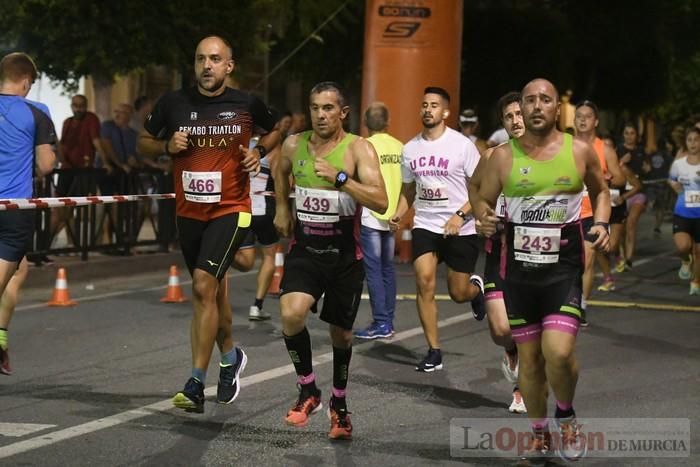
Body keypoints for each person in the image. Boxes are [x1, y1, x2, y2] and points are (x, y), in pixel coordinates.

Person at [138, 35, 279, 413]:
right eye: (201, 58)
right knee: (211, 294)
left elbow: (276, 128)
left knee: (202, 285)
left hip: (231, 209)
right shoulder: (174, 103)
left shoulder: (246, 103)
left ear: (228, 66)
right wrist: (166, 147)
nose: (207, 66)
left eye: (215, 59)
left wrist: (259, 152)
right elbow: (144, 141)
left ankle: (196, 382)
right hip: (189, 213)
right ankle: (230, 356)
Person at [475, 78, 610, 462]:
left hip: (562, 272)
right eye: (529, 100)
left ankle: (565, 416)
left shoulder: (579, 151)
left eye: (544, 100)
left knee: (560, 353)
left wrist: (601, 224)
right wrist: (484, 219)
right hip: (518, 273)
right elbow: (483, 200)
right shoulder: (502, 157)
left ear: (555, 109)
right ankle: (539, 433)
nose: (536, 106)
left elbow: (600, 192)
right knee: (530, 362)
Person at [273, 81, 387, 440]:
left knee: (340, 333)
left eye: (328, 108)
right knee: (291, 314)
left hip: (344, 257)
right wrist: (280, 207)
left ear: (343, 113)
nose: (320, 115)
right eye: (314, 108)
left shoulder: (359, 150)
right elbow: (279, 168)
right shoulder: (295, 143)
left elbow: (381, 200)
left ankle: (339, 403)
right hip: (305, 250)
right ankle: (309, 390)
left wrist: (340, 178)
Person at [390, 86, 485, 373]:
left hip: (461, 226)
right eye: (424, 105)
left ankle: (475, 291)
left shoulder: (462, 146)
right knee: (425, 280)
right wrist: (399, 212)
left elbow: (481, 188)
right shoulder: (410, 149)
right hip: (427, 224)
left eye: (434, 105)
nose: (427, 109)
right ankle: (434, 350)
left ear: (445, 112)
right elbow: (409, 189)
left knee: (457, 292)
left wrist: (460, 215)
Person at [468, 91, 526, 413]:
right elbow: (474, 188)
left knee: (529, 326)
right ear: (502, 122)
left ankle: (521, 390)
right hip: (499, 249)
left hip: (534, 254)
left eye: (520, 114)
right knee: (501, 330)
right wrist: (480, 215)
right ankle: (512, 351)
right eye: (509, 117)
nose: (516, 121)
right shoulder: (493, 156)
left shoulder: (546, 157)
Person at [0, 52, 56, 374]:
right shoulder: (37, 111)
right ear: (25, 82)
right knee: (10, 275)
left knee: (18, 271)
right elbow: (47, 165)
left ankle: (2, 337)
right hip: (14, 210)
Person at [354, 102, 403, 339]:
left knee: (373, 271)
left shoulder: (363, 147)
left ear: (365, 123)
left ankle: (381, 322)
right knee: (387, 270)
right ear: (388, 122)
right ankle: (388, 320)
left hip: (371, 214)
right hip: (393, 215)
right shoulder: (400, 147)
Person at [573, 100, 625, 326]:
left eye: (587, 116)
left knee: (586, 261)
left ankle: (580, 307)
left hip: (592, 215)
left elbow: (621, 177)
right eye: (579, 116)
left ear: (595, 121)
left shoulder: (605, 149)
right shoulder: (564, 146)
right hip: (566, 213)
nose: (582, 119)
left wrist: (607, 179)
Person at [668, 127, 700, 295]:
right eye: (690, 140)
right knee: (683, 246)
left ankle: (696, 282)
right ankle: (685, 260)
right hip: (683, 213)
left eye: (696, 139)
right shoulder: (679, 164)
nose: (693, 143)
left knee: (699, 251)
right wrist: (676, 187)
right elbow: (671, 180)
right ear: (686, 143)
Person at [616, 122, 649, 272]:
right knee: (621, 228)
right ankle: (622, 256)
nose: (629, 136)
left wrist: (648, 168)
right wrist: (622, 161)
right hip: (622, 194)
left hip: (638, 193)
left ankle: (629, 258)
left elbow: (648, 169)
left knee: (631, 222)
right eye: (627, 133)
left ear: (637, 136)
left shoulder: (642, 151)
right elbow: (611, 169)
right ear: (623, 135)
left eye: (632, 133)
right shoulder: (618, 150)